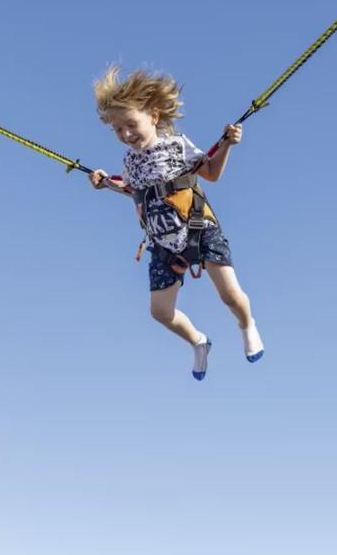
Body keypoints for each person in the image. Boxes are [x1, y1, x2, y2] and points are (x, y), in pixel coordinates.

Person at [89, 66, 264, 380]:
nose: (126, 134)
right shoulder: (129, 161)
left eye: (131, 124)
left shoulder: (177, 145)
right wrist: (106, 183)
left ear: (153, 116)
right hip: (162, 243)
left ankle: (246, 324)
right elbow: (134, 191)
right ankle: (198, 341)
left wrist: (226, 146)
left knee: (230, 296)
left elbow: (210, 173)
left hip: (198, 228)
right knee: (160, 312)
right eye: (118, 130)